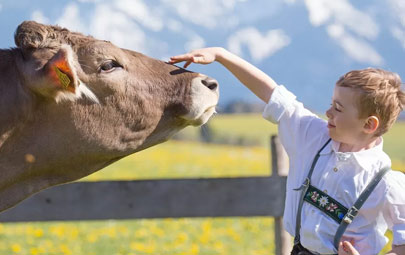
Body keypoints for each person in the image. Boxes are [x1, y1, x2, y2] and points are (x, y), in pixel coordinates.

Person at [169, 47, 405, 255]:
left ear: (369, 125)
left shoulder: (387, 183)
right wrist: (222, 55)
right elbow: (273, 95)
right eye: (332, 103)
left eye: (338, 108)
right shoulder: (313, 136)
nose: (328, 112)